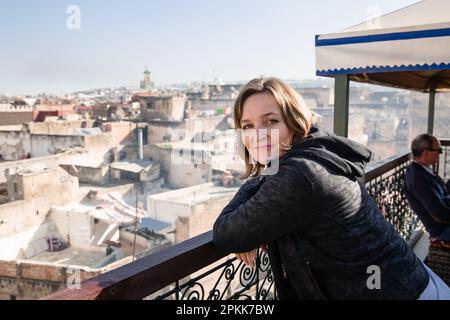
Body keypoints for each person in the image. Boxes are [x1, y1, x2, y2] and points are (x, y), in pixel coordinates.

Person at [212, 77, 450, 299]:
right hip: (408, 282)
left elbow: (226, 234)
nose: (258, 135)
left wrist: (259, 179)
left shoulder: (300, 174)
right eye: (247, 126)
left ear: (293, 123)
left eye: (271, 121)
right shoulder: (317, 152)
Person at [404, 133, 450, 241]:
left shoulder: (423, 170)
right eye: (439, 151)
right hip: (442, 230)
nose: (440, 154)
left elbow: (442, 192)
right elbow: (438, 214)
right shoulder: (418, 178)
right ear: (426, 153)